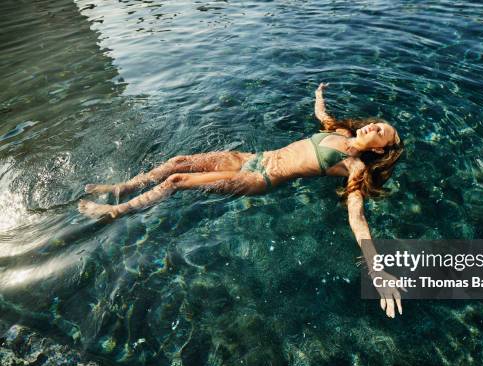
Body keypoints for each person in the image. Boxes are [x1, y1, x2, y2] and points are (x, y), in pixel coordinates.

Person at [79, 83, 406, 317]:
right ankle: (123, 187)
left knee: (177, 181)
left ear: (379, 149)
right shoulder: (340, 131)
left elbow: (356, 216)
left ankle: (117, 211)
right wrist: (319, 95)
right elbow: (321, 113)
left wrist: (376, 268)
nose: (373, 128)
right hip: (251, 158)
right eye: (376, 124)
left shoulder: (355, 167)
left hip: (258, 178)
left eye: (380, 133)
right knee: (178, 161)